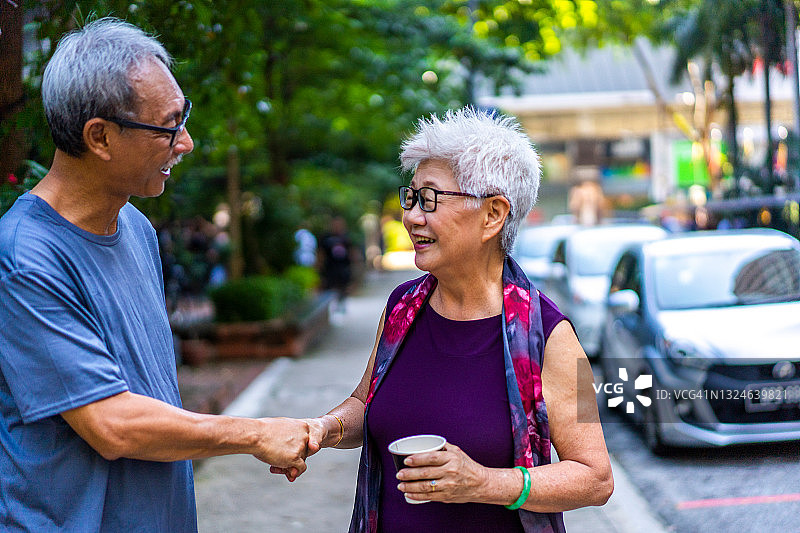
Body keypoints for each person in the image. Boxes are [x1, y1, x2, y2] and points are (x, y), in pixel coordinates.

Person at [0, 19, 318, 532]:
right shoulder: (25, 258)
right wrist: (255, 433)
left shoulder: (136, 228)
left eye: (183, 117)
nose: (186, 142)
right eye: (168, 126)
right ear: (99, 136)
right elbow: (113, 425)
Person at [274, 108, 613, 532]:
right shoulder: (401, 308)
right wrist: (322, 429)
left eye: (430, 199)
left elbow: (596, 477)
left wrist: (486, 482)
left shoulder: (554, 334)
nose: (412, 216)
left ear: (493, 214)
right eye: (411, 197)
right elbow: (366, 403)